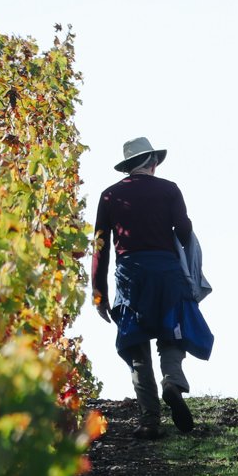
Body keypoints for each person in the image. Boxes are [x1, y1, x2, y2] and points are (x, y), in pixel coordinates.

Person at [92, 137, 212, 439]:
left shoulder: (109, 196)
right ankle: (172, 382)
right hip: (167, 272)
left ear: (128, 166)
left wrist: (99, 293)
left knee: (136, 344)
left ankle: (149, 419)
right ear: (153, 163)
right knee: (172, 334)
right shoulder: (169, 189)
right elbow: (184, 230)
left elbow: (100, 247)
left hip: (132, 275)